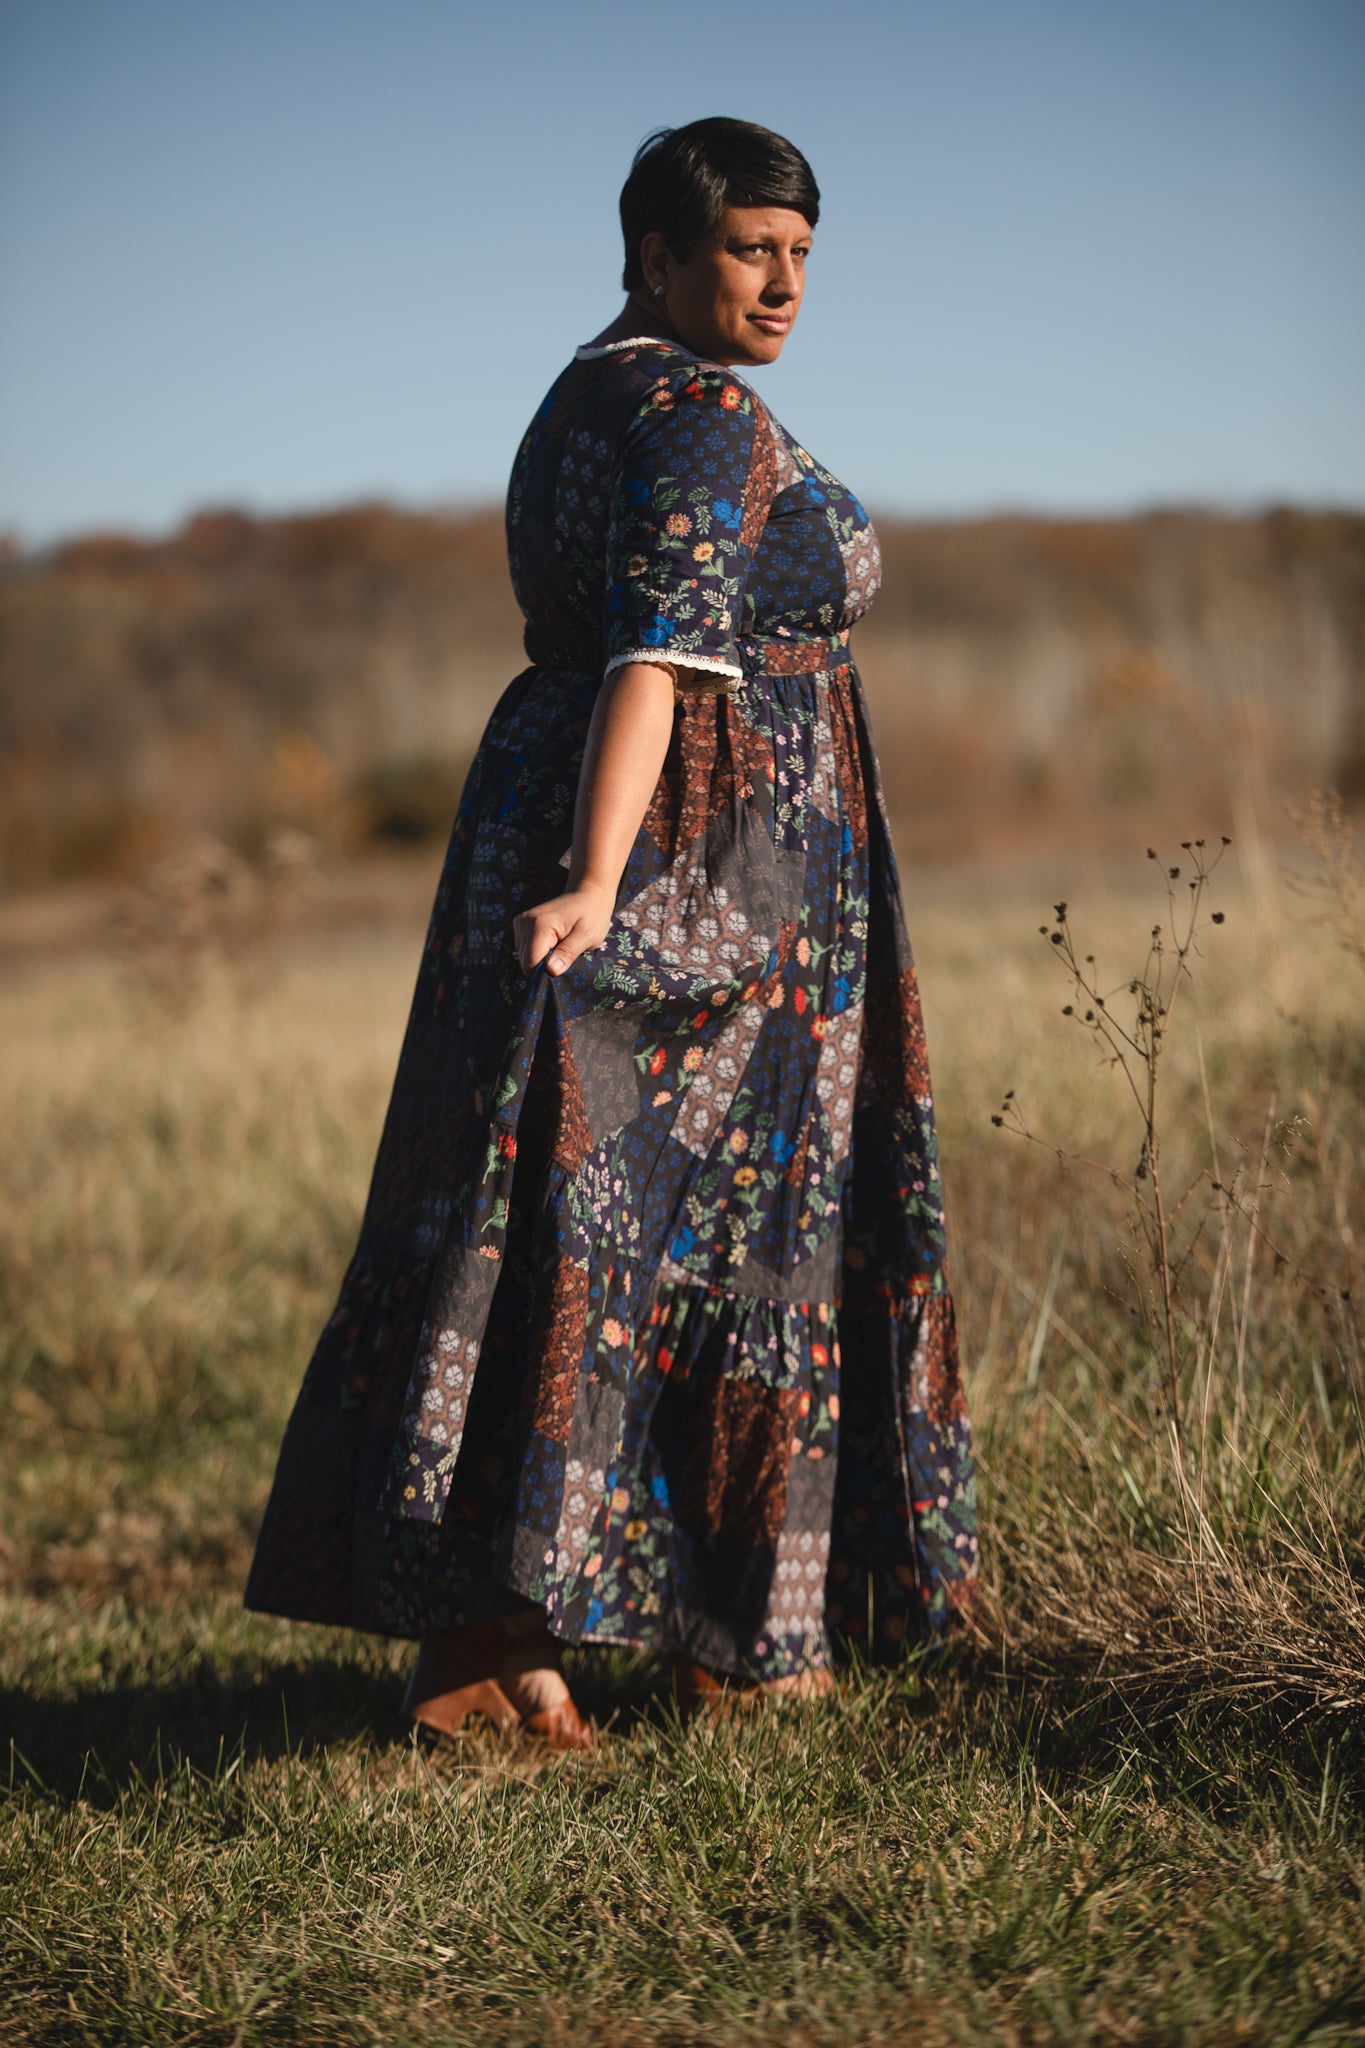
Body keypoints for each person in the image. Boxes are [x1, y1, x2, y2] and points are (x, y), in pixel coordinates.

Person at [245, 117, 978, 1747]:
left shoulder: (588, 387)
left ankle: (516, 1648)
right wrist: (598, 876)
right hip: (701, 863)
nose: (784, 282)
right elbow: (659, 652)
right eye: (747, 250)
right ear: (657, 254)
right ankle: (715, 1640)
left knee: (550, 1214)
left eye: (801, 253)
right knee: (717, 1234)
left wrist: (574, 859)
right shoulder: (704, 410)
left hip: (590, 805)